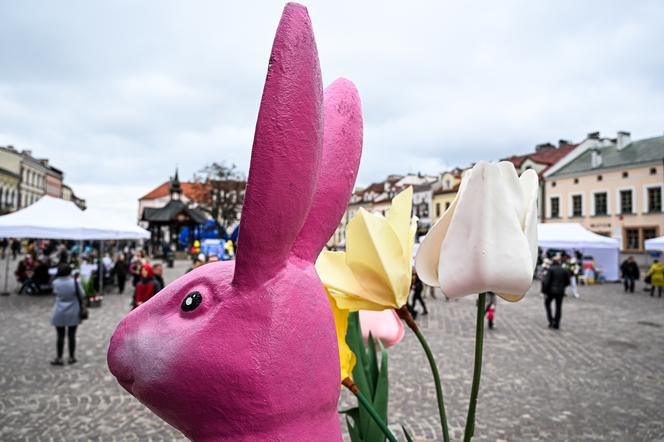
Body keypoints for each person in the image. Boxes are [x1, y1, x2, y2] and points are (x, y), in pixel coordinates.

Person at [50, 264, 83, 365]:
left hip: (59, 310)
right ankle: (71, 357)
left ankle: (59, 357)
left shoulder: (55, 282)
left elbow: (55, 293)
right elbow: (82, 294)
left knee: (60, 336)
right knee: (72, 335)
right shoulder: (74, 282)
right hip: (73, 310)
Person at [542, 256, 570, 329]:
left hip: (551, 292)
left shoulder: (550, 269)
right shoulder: (564, 270)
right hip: (560, 292)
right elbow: (568, 282)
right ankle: (557, 323)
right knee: (558, 307)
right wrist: (562, 287)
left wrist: (544, 292)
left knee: (547, 304)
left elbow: (546, 282)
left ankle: (551, 321)